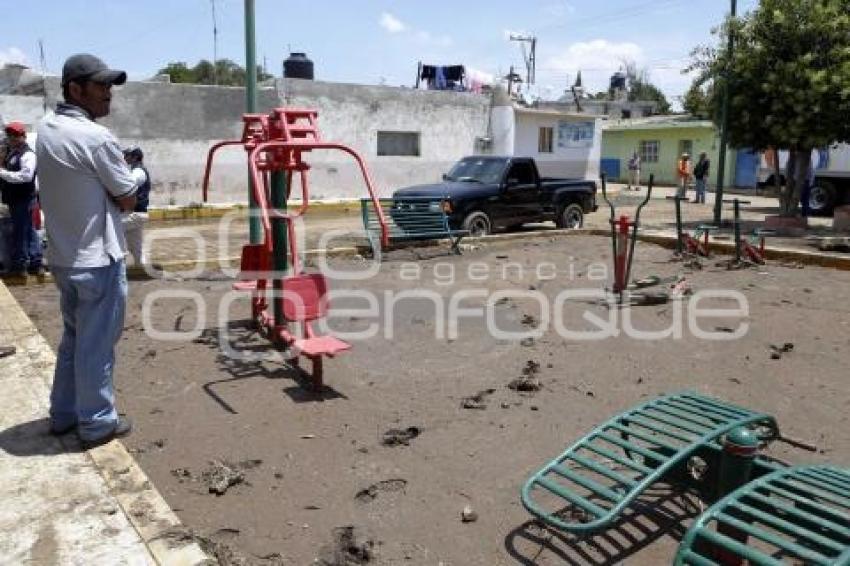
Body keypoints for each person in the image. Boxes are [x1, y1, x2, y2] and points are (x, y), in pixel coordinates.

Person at [35, 53, 137, 448]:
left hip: (64, 257)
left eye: (109, 86)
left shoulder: (45, 129)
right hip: (98, 259)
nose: (108, 94)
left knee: (74, 341)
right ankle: (96, 423)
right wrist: (113, 192)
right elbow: (128, 197)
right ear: (75, 90)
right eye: (101, 86)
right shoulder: (97, 138)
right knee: (96, 347)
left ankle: (63, 415)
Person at [0, 121, 44, 280]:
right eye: (10, 135)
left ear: (23, 136)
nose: (12, 138)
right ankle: (33, 263)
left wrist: (3, 174)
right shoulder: (13, 153)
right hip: (16, 199)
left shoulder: (28, 154)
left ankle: (26, 263)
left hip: (24, 198)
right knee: (26, 229)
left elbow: (26, 176)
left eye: (15, 135)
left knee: (24, 230)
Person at [121, 146, 151, 265]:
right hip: (138, 214)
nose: (124, 158)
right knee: (137, 248)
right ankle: (144, 270)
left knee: (112, 233)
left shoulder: (138, 171)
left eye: (127, 155)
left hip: (134, 214)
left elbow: (127, 186)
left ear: (135, 157)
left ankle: (118, 268)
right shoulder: (136, 170)